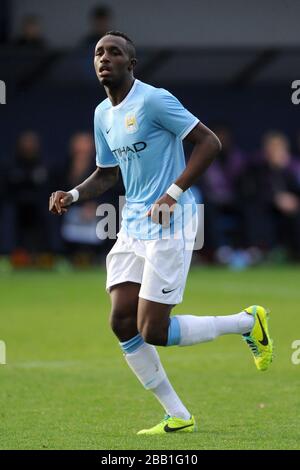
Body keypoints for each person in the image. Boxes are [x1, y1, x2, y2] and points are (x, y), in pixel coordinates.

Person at [49, 31, 274, 435]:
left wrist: (172, 193)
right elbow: (107, 173)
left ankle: (246, 322)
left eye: (114, 52)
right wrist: (74, 192)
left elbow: (209, 143)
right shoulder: (102, 114)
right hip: (133, 222)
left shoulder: (154, 99)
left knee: (153, 329)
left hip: (173, 220)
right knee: (121, 321)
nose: (104, 58)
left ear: (131, 64)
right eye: (98, 53)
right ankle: (179, 415)